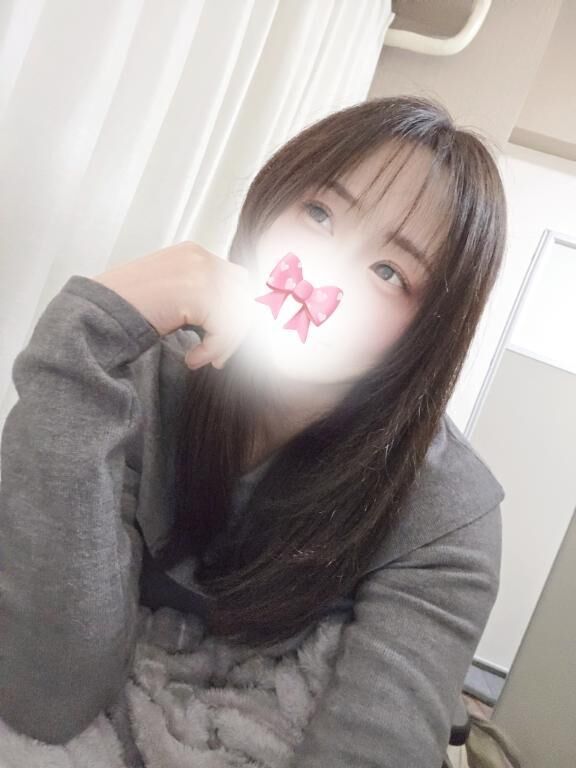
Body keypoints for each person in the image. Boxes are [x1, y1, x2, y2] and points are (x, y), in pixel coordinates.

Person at [0, 95, 507, 766]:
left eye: (389, 272)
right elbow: (46, 692)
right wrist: (86, 337)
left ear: (428, 332)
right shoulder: (146, 373)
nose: (319, 279)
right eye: (319, 214)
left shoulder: (448, 513)